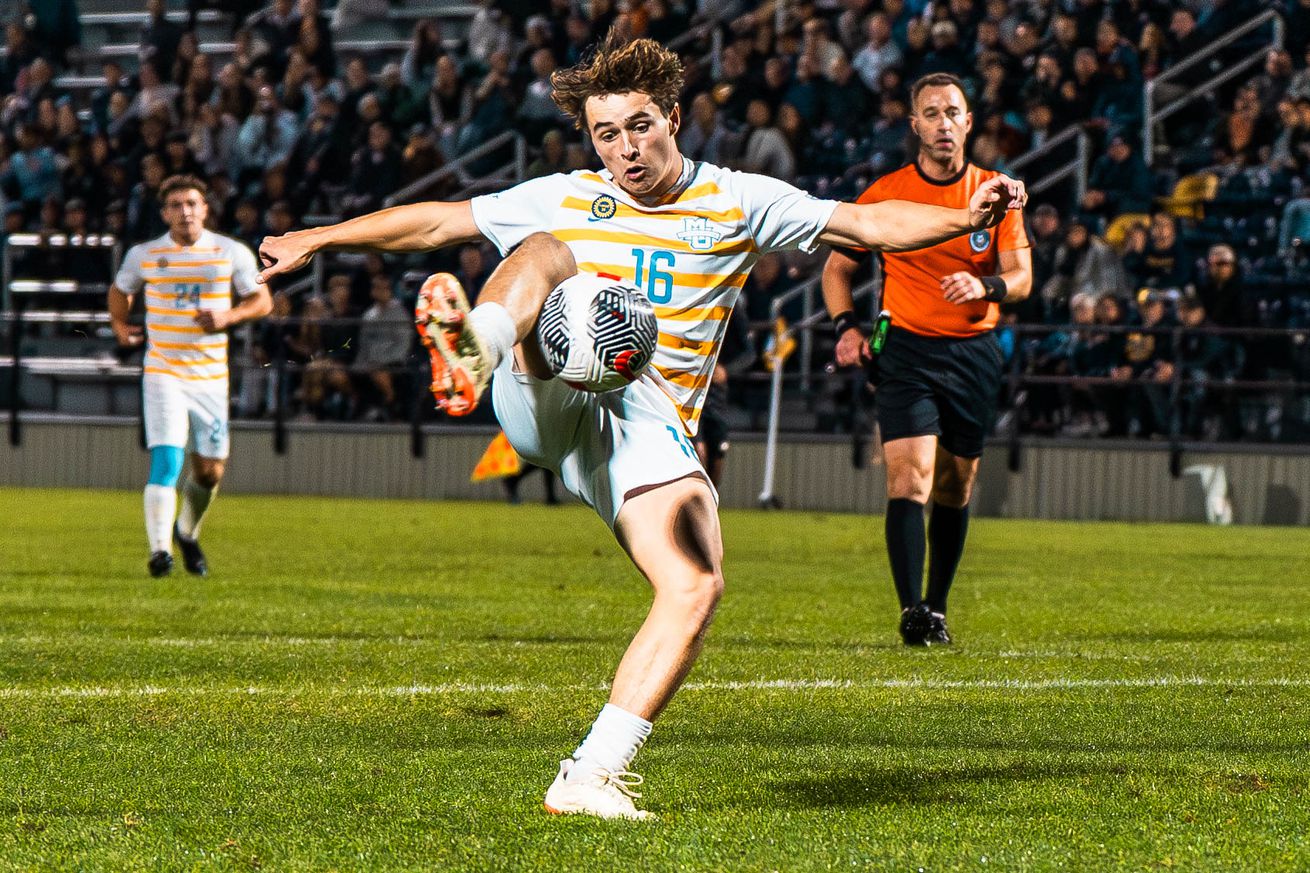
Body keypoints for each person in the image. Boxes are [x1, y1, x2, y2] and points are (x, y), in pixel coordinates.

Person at [257, 33, 1025, 821]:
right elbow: (436, 224)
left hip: (645, 423)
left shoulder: (735, 199)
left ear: (674, 118)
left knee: (696, 581)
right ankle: (476, 348)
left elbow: (867, 227)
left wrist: (962, 214)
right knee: (549, 249)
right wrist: (319, 237)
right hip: (545, 393)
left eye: (639, 126)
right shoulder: (566, 196)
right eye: (606, 133)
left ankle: (588, 775)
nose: (625, 148)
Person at [821, 72, 1032, 647]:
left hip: (974, 353)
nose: (943, 123)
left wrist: (984, 289)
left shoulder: (994, 191)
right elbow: (838, 268)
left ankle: (937, 605)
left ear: (969, 121)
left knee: (955, 486)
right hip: (906, 348)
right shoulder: (886, 191)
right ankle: (912, 609)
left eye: (953, 112)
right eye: (931, 113)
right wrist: (846, 328)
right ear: (914, 124)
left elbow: (1022, 278)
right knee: (908, 476)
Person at [108, 174, 271, 578]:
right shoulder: (145, 254)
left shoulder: (229, 252)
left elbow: (262, 300)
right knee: (167, 459)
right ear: (165, 213)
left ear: (205, 209)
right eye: (177, 205)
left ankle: (187, 533)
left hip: (211, 377)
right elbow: (121, 289)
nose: (185, 211)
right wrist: (119, 324)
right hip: (163, 370)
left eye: (192, 203)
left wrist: (228, 316)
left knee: (209, 471)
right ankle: (159, 551)